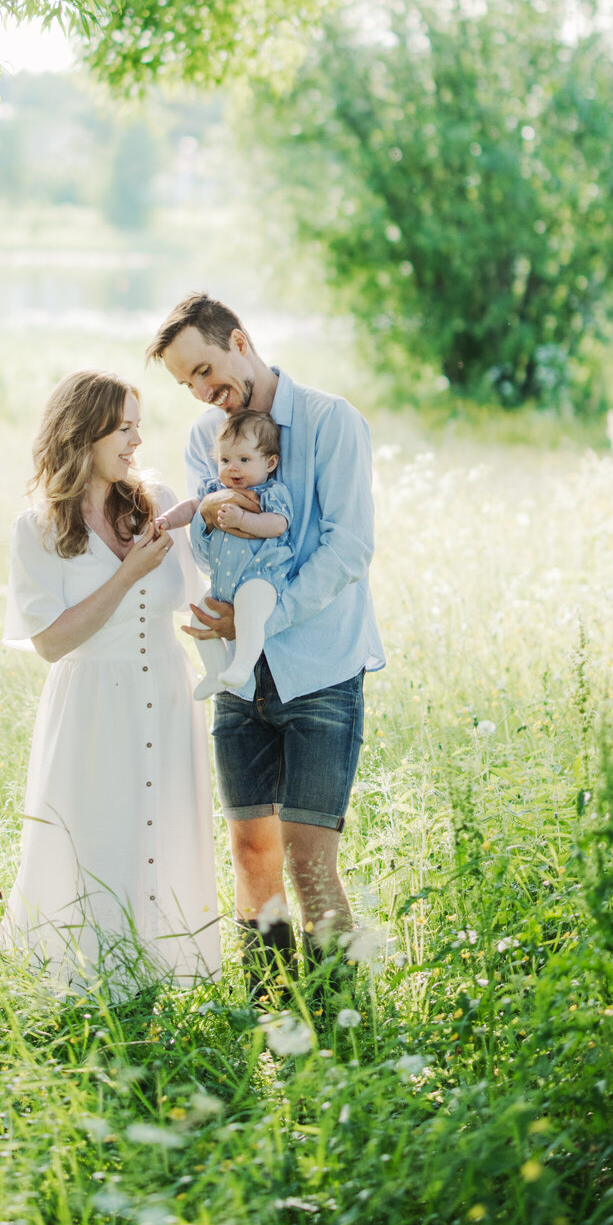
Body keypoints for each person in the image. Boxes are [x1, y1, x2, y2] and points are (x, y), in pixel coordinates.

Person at [146, 291, 382, 980]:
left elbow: (348, 549)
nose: (200, 391)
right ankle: (270, 1010)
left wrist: (260, 617)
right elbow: (215, 540)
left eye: (204, 369)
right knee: (252, 851)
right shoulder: (204, 440)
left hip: (320, 669)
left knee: (309, 857)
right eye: (186, 382)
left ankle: (338, 1022)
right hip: (237, 675)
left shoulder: (331, 422)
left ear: (240, 340)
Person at [0, 369, 221, 992]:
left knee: (163, 827)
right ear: (85, 433)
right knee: (95, 835)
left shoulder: (154, 499)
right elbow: (52, 642)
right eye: (124, 429)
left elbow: (191, 601)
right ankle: (91, 983)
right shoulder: (38, 529)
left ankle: (167, 976)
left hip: (167, 695)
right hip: (92, 702)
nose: (136, 443)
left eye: (138, 428)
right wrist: (126, 576)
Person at [173, 410, 293, 703]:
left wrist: (242, 519)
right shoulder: (215, 490)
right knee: (201, 618)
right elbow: (192, 508)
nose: (233, 468)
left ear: (270, 462)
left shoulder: (271, 492)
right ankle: (216, 671)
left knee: (250, 613)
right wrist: (166, 521)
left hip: (260, 578)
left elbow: (278, 524)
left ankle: (242, 663)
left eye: (243, 460)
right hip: (223, 585)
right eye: (225, 460)